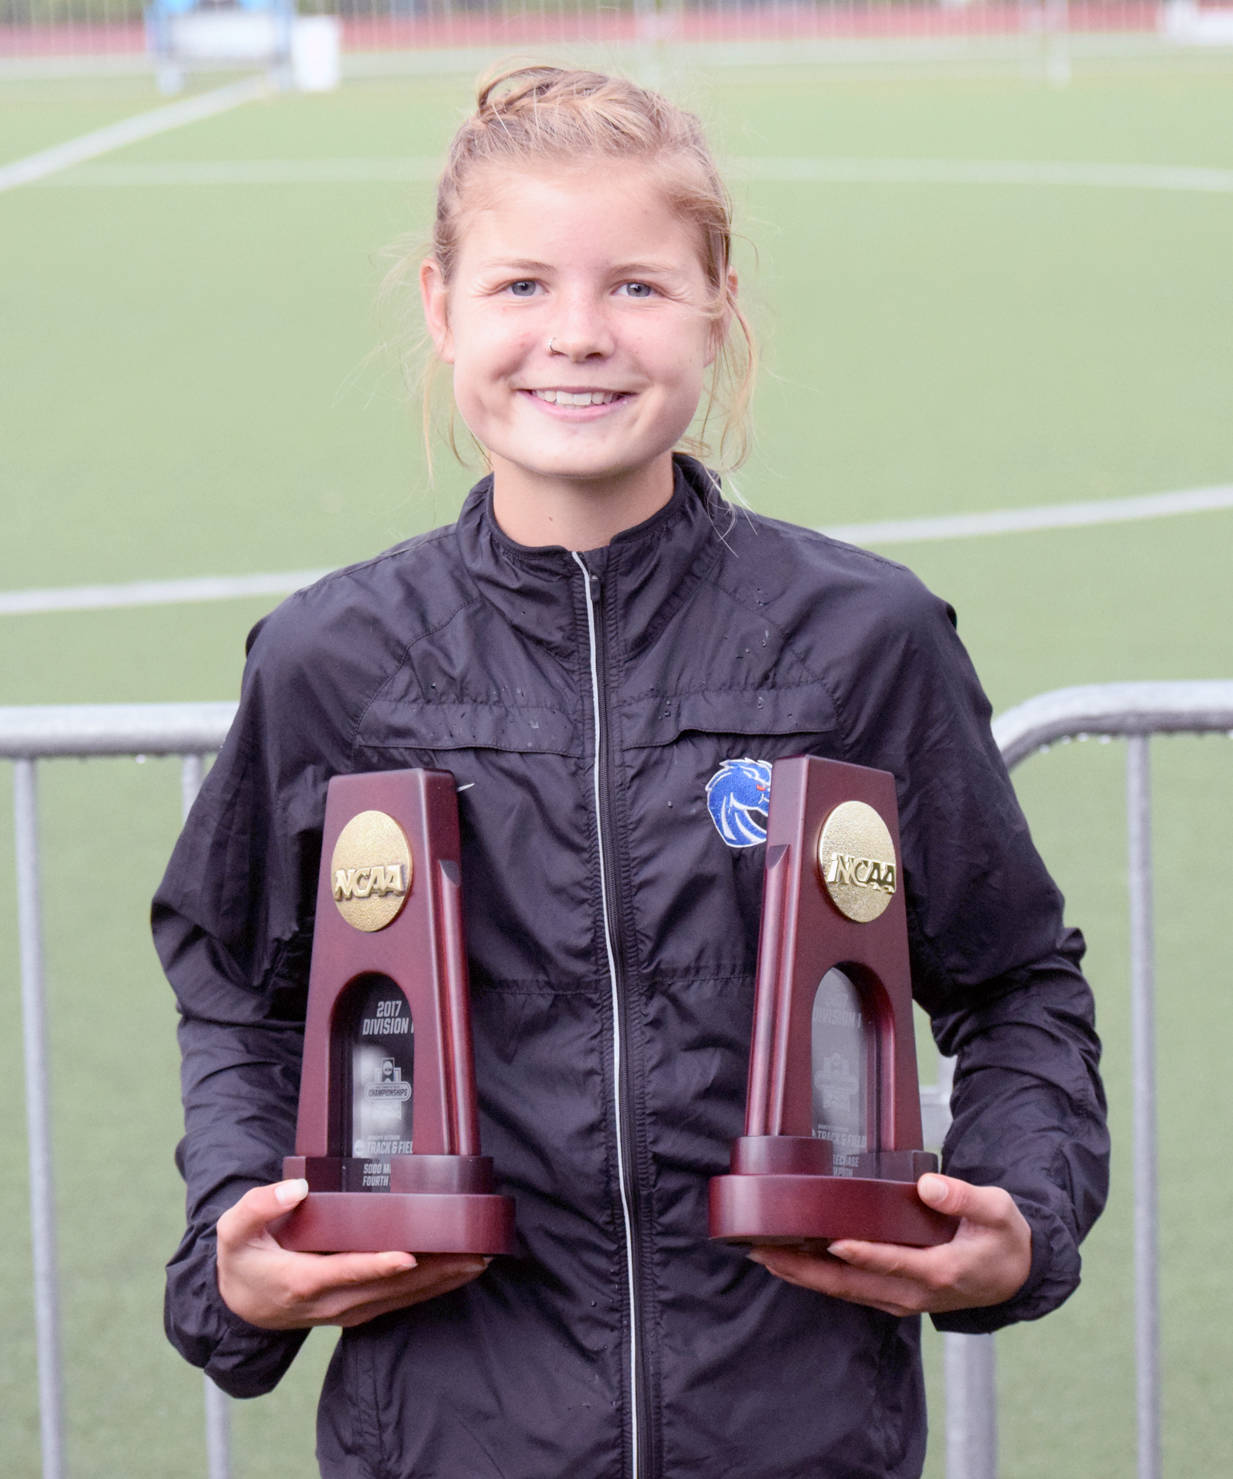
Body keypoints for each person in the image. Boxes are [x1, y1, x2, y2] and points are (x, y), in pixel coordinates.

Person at [154, 65, 1108, 1479]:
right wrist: (236, 1253)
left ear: (718, 303)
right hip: (445, 1435)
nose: (578, 338)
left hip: (798, 1434)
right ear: (440, 307)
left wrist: (1018, 1215)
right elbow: (241, 993)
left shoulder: (864, 641)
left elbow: (1017, 980)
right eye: (523, 286)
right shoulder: (329, 661)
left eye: (639, 288)